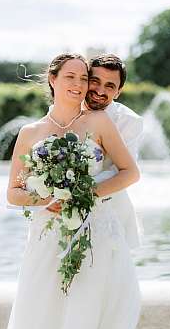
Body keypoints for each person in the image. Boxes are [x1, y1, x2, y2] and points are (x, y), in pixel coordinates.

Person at [1, 53, 142, 329]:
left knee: (87, 312)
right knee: (41, 314)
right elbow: (13, 193)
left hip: (94, 232)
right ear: (52, 79)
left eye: (82, 77)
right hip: (47, 236)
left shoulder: (100, 121)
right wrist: (44, 199)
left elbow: (130, 173)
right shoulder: (30, 133)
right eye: (71, 77)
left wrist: (83, 195)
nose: (79, 84)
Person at [48, 53, 144, 249]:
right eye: (95, 81)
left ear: (118, 92)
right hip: (60, 213)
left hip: (109, 211)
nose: (100, 90)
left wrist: (76, 195)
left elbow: (123, 173)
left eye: (110, 86)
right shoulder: (66, 110)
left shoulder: (129, 121)